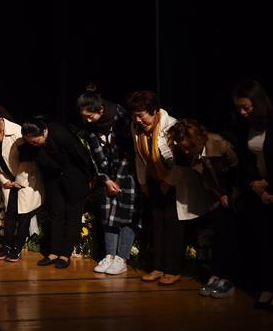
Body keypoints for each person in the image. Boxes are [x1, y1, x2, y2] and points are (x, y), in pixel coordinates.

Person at [128, 90, 205, 286]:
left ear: (153, 110)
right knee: (156, 224)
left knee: (172, 226)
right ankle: (158, 267)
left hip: (174, 182)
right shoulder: (135, 128)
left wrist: (167, 182)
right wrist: (143, 182)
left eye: (141, 114)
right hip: (154, 180)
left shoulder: (171, 125)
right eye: (134, 115)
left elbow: (181, 162)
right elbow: (140, 157)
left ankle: (172, 270)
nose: (138, 119)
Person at [167, 119, 240, 298]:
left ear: (197, 139)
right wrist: (219, 194)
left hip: (237, 194)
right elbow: (206, 177)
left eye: (187, 146)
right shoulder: (187, 152)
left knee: (230, 235)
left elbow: (238, 173)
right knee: (219, 234)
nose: (185, 151)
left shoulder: (220, 145)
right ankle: (218, 274)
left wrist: (230, 196)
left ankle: (229, 278)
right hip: (217, 196)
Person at [76, 89, 141, 276]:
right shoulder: (91, 129)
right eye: (84, 117)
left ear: (101, 110)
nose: (87, 120)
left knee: (127, 217)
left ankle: (122, 258)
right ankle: (110, 255)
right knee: (108, 216)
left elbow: (128, 153)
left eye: (90, 116)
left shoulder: (122, 120)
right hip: (107, 179)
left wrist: (118, 180)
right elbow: (94, 156)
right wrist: (106, 179)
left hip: (126, 175)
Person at [21, 117, 93, 269]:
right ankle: (54, 252)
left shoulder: (61, 134)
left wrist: (90, 178)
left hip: (74, 178)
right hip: (54, 179)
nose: (33, 144)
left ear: (45, 131)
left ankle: (65, 254)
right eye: (30, 142)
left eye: (35, 141)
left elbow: (81, 156)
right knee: (56, 214)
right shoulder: (33, 145)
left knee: (72, 216)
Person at [0, 104, 42, 263]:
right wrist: (5, 180)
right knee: (10, 214)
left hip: (26, 178)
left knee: (23, 215)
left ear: (1, 120)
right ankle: (6, 246)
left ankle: (17, 248)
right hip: (8, 180)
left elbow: (27, 160)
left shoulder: (17, 132)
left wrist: (19, 181)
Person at [231, 79, 273, 309]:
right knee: (263, 242)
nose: (243, 112)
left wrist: (268, 185)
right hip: (257, 191)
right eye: (239, 108)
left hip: (270, 187)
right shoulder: (242, 127)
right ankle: (266, 287)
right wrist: (255, 186)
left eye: (246, 107)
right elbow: (244, 161)